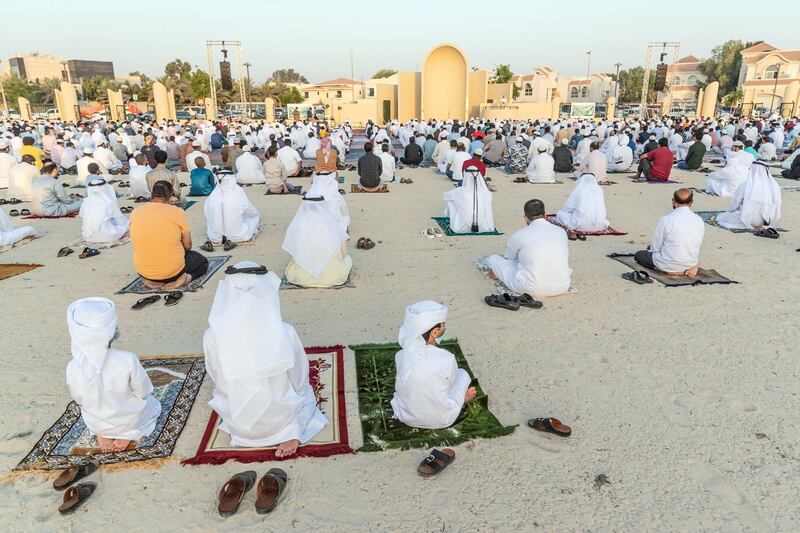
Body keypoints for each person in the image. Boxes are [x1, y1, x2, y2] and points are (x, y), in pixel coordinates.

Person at [203, 261, 328, 455]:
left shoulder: (211, 336)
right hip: (280, 422)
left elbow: (215, 374)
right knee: (304, 393)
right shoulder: (284, 332)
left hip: (239, 423)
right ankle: (291, 432)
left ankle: (254, 431)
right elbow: (300, 378)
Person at [66, 297, 161, 452]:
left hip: (97, 421)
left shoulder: (72, 366)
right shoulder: (127, 358)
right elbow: (144, 391)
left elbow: (79, 399)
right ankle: (127, 433)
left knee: (91, 411)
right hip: (129, 420)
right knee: (154, 405)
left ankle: (102, 433)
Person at [390, 300, 476, 429]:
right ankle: (463, 400)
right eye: (443, 325)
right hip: (442, 419)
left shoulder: (401, 355)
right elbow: (450, 386)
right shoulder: (447, 358)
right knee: (463, 374)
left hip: (405, 416)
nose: (444, 327)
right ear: (435, 332)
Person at [129, 181, 208, 290]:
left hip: (144, 271)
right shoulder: (177, 212)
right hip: (173, 273)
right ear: (170, 197)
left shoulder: (135, 212)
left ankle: (148, 281)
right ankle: (184, 279)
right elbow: (187, 246)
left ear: (151, 195)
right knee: (202, 261)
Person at [487, 199, 572, 297]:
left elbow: (509, 258)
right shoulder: (561, 231)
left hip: (530, 288)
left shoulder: (519, 234)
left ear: (525, 218)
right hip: (562, 286)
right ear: (545, 214)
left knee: (493, 259)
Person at [282, 195, 352, 288]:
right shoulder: (334, 227)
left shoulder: (297, 228)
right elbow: (343, 253)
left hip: (300, 278)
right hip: (333, 278)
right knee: (348, 259)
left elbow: (293, 253)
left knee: (292, 266)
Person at [634, 189, 704, 277]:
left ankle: (669, 270)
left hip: (668, 263)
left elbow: (656, 247)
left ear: (673, 201)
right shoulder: (698, 219)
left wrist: (652, 250)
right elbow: (698, 243)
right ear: (691, 202)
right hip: (690, 263)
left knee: (639, 255)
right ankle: (685, 269)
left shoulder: (667, 219)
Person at [717, 162, 781, 231]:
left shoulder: (745, 185)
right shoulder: (775, 186)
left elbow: (735, 204)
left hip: (748, 219)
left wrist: (730, 212)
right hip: (767, 220)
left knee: (721, 217)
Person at [204, 171, 261, 244]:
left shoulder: (213, 194)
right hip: (238, 236)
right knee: (253, 219)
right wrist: (257, 214)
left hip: (216, 237)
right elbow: (249, 209)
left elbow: (207, 213)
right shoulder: (237, 191)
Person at [443, 164, 495, 233]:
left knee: (451, 200)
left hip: (461, 228)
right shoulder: (486, 193)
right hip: (483, 227)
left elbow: (446, 196)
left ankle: (455, 220)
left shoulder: (460, 191)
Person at [556, 173, 609, 238]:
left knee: (560, 214)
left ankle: (574, 230)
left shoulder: (579, 189)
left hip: (581, 225)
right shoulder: (599, 189)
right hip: (600, 225)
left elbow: (567, 209)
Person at [80, 177, 129, 244]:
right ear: (105, 188)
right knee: (129, 224)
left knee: (108, 221)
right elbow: (121, 222)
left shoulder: (86, 202)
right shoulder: (108, 203)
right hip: (108, 237)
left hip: (88, 237)